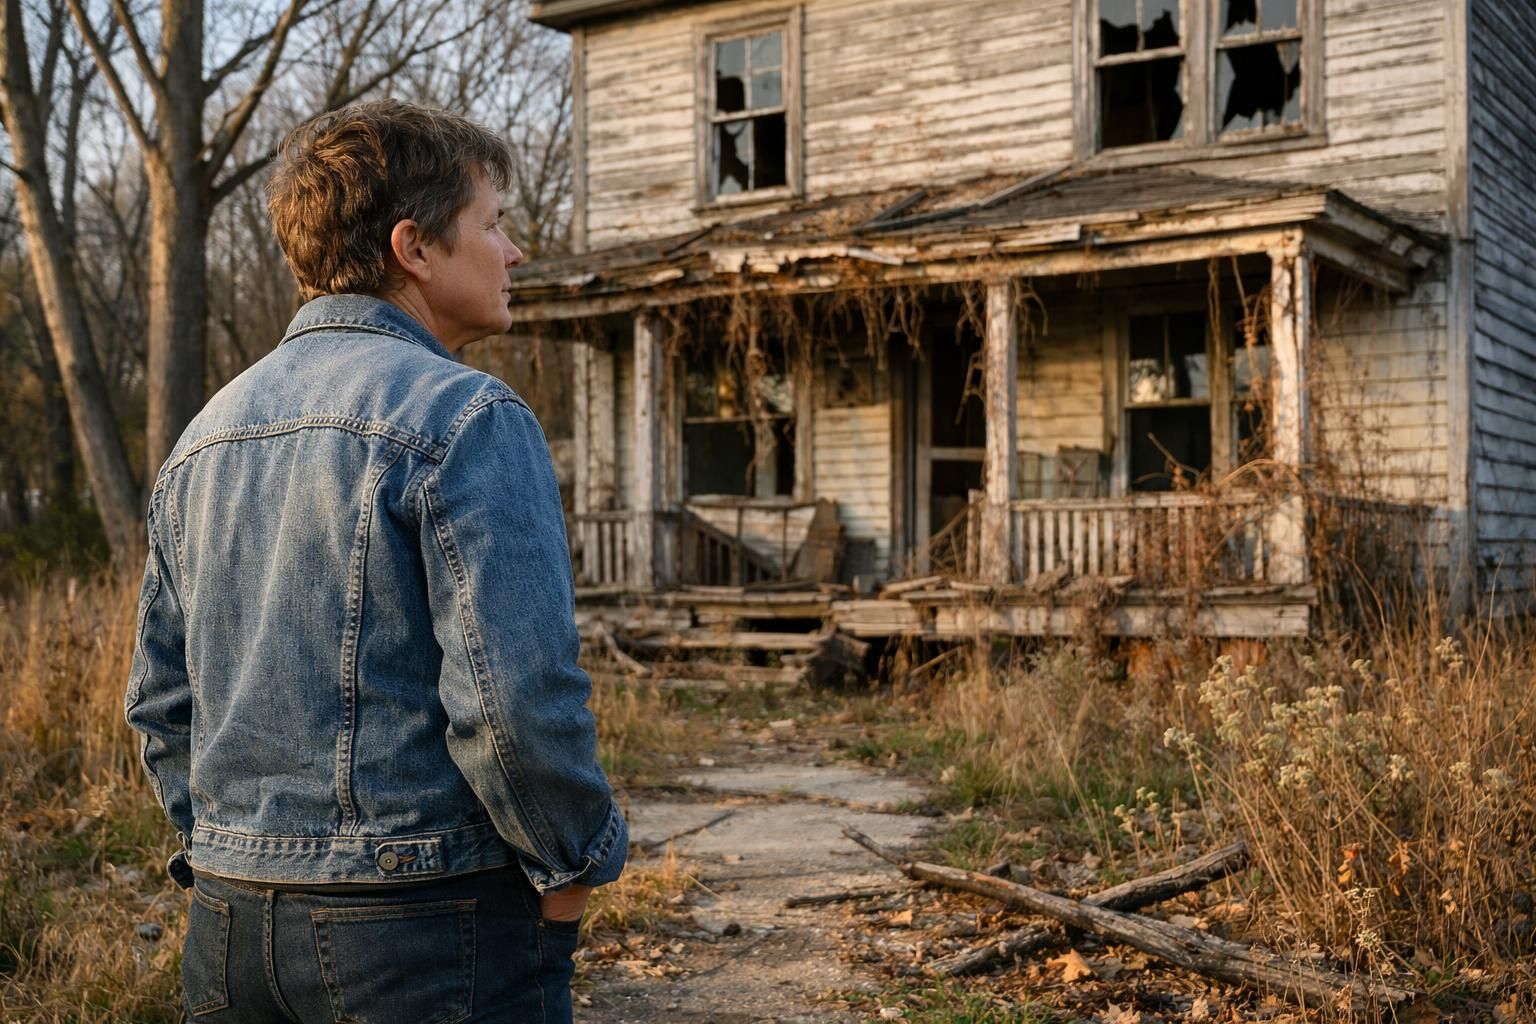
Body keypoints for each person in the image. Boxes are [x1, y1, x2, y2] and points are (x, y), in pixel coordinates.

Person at [125, 100, 626, 1023]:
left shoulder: (202, 437)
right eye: (494, 224)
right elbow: (514, 700)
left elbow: (159, 702)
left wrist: (232, 849)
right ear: (415, 248)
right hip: (423, 929)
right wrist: (575, 865)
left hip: (227, 930)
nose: (513, 251)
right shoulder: (469, 417)